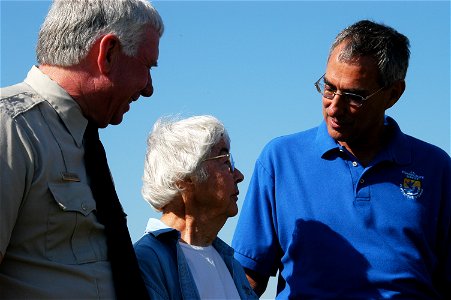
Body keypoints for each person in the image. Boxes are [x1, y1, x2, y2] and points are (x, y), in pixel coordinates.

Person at [232, 19, 451, 298]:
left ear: (394, 94)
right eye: (329, 87)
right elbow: (247, 277)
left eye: (354, 96)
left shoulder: (436, 168)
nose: (334, 107)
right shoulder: (280, 160)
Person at [0, 0, 164, 298]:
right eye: (147, 66)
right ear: (108, 53)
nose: (148, 87)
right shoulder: (10, 126)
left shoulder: (83, 141)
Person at [134, 115, 258, 299]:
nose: (239, 175)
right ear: (185, 178)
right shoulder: (146, 261)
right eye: (226, 162)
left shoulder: (230, 263)